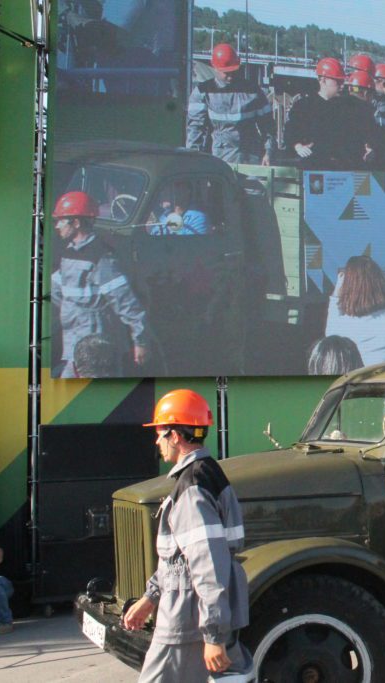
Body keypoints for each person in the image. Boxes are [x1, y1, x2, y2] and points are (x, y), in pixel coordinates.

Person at [122, 390, 251, 681]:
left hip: (186, 619)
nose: (157, 442)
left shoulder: (192, 488)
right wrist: (150, 598)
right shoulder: (207, 474)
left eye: (159, 433)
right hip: (200, 613)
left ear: (175, 436)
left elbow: (208, 564)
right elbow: (178, 556)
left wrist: (213, 634)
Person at [50, 191, 149, 378]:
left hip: (97, 349)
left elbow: (126, 303)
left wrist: (140, 342)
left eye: (61, 221)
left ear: (77, 223)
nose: (57, 226)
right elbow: (55, 295)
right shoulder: (68, 254)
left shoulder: (101, 258)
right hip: (73, 345)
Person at [186, 43, 273, 165]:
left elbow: (268, 126)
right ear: (214, 67)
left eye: (233, 71)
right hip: (218, 158)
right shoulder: (203, 93)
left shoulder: (253, 91)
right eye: (226, 73)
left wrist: (268, 152)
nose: (230, 77)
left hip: (251, 157)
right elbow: (195, 129)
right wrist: (192, 158)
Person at [325, 255, 385, 366]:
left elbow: (330, 339)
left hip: (366, 380)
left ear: (347, 285)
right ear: (378, 278)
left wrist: (336, 293)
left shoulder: (344, 326)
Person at [283, 57, 346, 169]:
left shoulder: (345, 108)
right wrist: (298, 146)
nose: (342, 85)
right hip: (312, 167)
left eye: (342, 81)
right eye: (338, 81)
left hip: (339, 169)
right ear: (323, 80)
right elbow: (290, 131)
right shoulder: (303, 106)